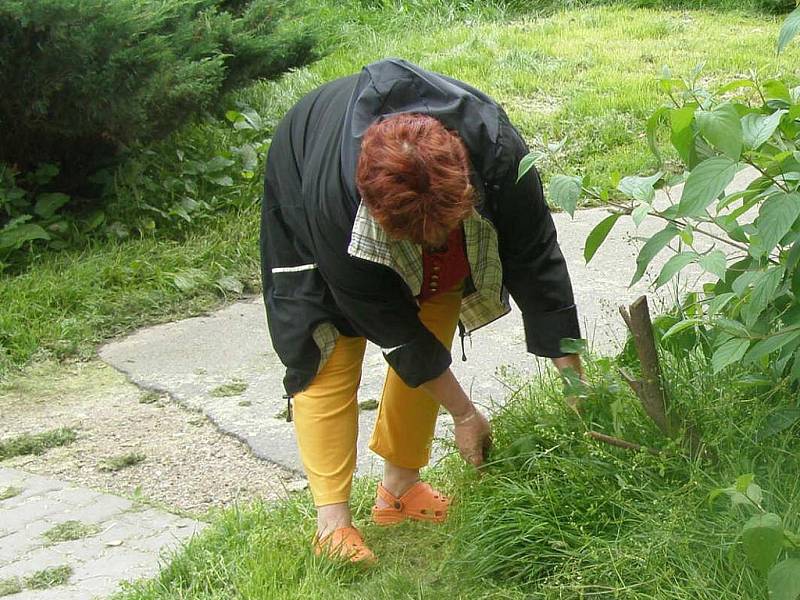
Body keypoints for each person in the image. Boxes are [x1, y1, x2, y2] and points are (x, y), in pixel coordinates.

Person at [260, 58, 584, 563]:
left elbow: (535, 256)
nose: (427, 244)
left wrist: (575, 383)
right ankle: (332, 526)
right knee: (326, 341)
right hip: (304, 164)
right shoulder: (334, 199)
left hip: (426, 191)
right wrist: (464, 413)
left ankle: (399, 489)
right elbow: (388, 325)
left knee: (437, 293)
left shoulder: (496, 149)